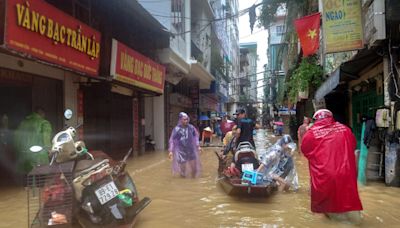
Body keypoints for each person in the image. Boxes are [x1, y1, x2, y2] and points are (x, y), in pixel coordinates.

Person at [301, 109, 362, 224]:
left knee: (335, 214)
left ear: (315, 119)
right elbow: (352, 145)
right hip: (346, 174)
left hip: (326, 177)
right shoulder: (345, 129)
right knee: (350, 204)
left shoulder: (311, 133)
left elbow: (305, 151)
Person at [14, 107, 52, 176]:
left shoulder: (23, 123)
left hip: (24, 158)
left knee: (26, 183)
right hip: (39, 158)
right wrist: (49, 150)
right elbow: (46, 139)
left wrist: (19, 152)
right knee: (39, 182)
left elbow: (16, 139)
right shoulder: (44, 123)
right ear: (42, 113)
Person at [168, 112, 201, 178]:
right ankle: (183, 183)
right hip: (181, 151)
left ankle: (193, 183)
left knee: (194, 169)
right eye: (184, 119)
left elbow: (196, 136)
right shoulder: (176, 129)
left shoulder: (191, 127)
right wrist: (171, 151)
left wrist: (198, 146)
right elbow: (172, 140)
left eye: (187, 119)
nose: (186, 121)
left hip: (191, 150)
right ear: (180, 120)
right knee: (183, 172)